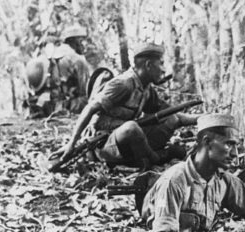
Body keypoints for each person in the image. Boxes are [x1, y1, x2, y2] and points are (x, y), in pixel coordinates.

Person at [61, 43, 197, 169]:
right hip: (104, 144)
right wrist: (71, 144)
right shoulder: (123, 84)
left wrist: (205, 118)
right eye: (161, 64)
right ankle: (155, 158)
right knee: (131, 128)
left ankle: (149, 156)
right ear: (149, 65)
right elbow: (90, 108)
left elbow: (170, 114)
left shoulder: (147, 88)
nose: (163, 70)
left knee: (171, 119)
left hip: (126, 142)